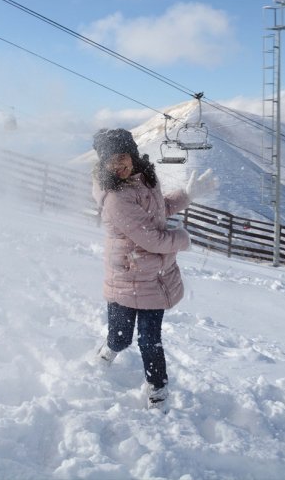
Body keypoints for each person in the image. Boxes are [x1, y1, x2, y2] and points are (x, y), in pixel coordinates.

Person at [91, 128, 217, 411]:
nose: (119, 165)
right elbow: (153, 238)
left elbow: (158, 211)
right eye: (111, 161)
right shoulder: (115, 198)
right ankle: (105, 354)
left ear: (133, 155)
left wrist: (186, 195)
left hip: (152, 278)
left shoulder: (145, 179)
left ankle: (157, 387)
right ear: (103, 165)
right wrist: (184, 240)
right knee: (121, 338)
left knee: (150, 339)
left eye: (122, 156)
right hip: (126, 276)